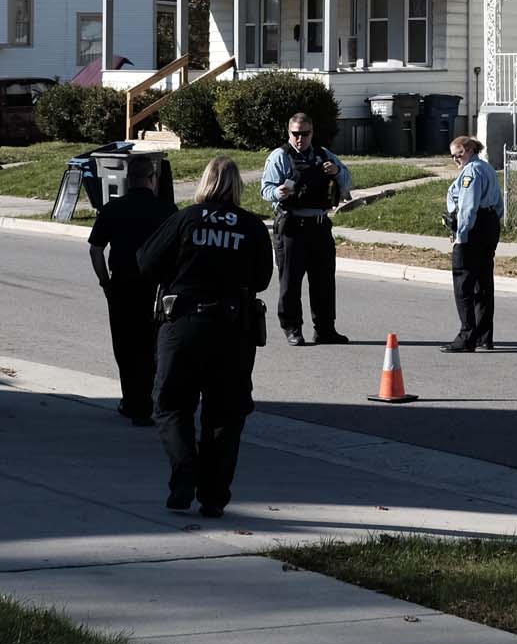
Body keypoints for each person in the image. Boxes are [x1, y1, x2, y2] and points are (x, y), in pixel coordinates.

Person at [138, 156, 273, 518]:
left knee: (170, 404)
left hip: (183, 324)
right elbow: (261, 279)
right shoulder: (251, 226)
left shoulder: (184, 219)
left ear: (204, 182)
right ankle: (213, 496)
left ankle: (184, 473)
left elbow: (147, 262)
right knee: (225, 415)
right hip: (233, 329)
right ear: (236, 186)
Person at [89, 155, 176, 426]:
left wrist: (105, 282)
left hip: (122, 285)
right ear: (152, 179)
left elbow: (96, 249)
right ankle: (149, 400)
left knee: (125, 346)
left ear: (128, 180)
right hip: (156, 288)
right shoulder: (167, 211)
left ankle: (131, 400)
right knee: (152, 345)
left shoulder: (112, 209)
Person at [259, 112, 352, 346]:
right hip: (292, 226)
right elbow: (265, 189)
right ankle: (292, 328)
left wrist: (337, 173)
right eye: (295, 134)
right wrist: (277, 193)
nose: (300, 139)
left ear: (312, 133)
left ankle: (325, 329)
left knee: (323, 281)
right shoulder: (280, 156)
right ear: (289, 133)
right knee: (290, 282)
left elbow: (348, 181)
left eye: (305, 134)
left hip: (319, 227)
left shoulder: (324, 155)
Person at [442, 135, 504, 353]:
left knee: (464, 282)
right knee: (484, 283)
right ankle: (484, 336)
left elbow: (468, 207)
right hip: (489, 224)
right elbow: (499, 203)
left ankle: (467, 335)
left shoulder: (471, 172)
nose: (455, 160)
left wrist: (461, 235)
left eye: (457, 155)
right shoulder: (486, 168)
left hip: (474, 227)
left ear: (467, 149)